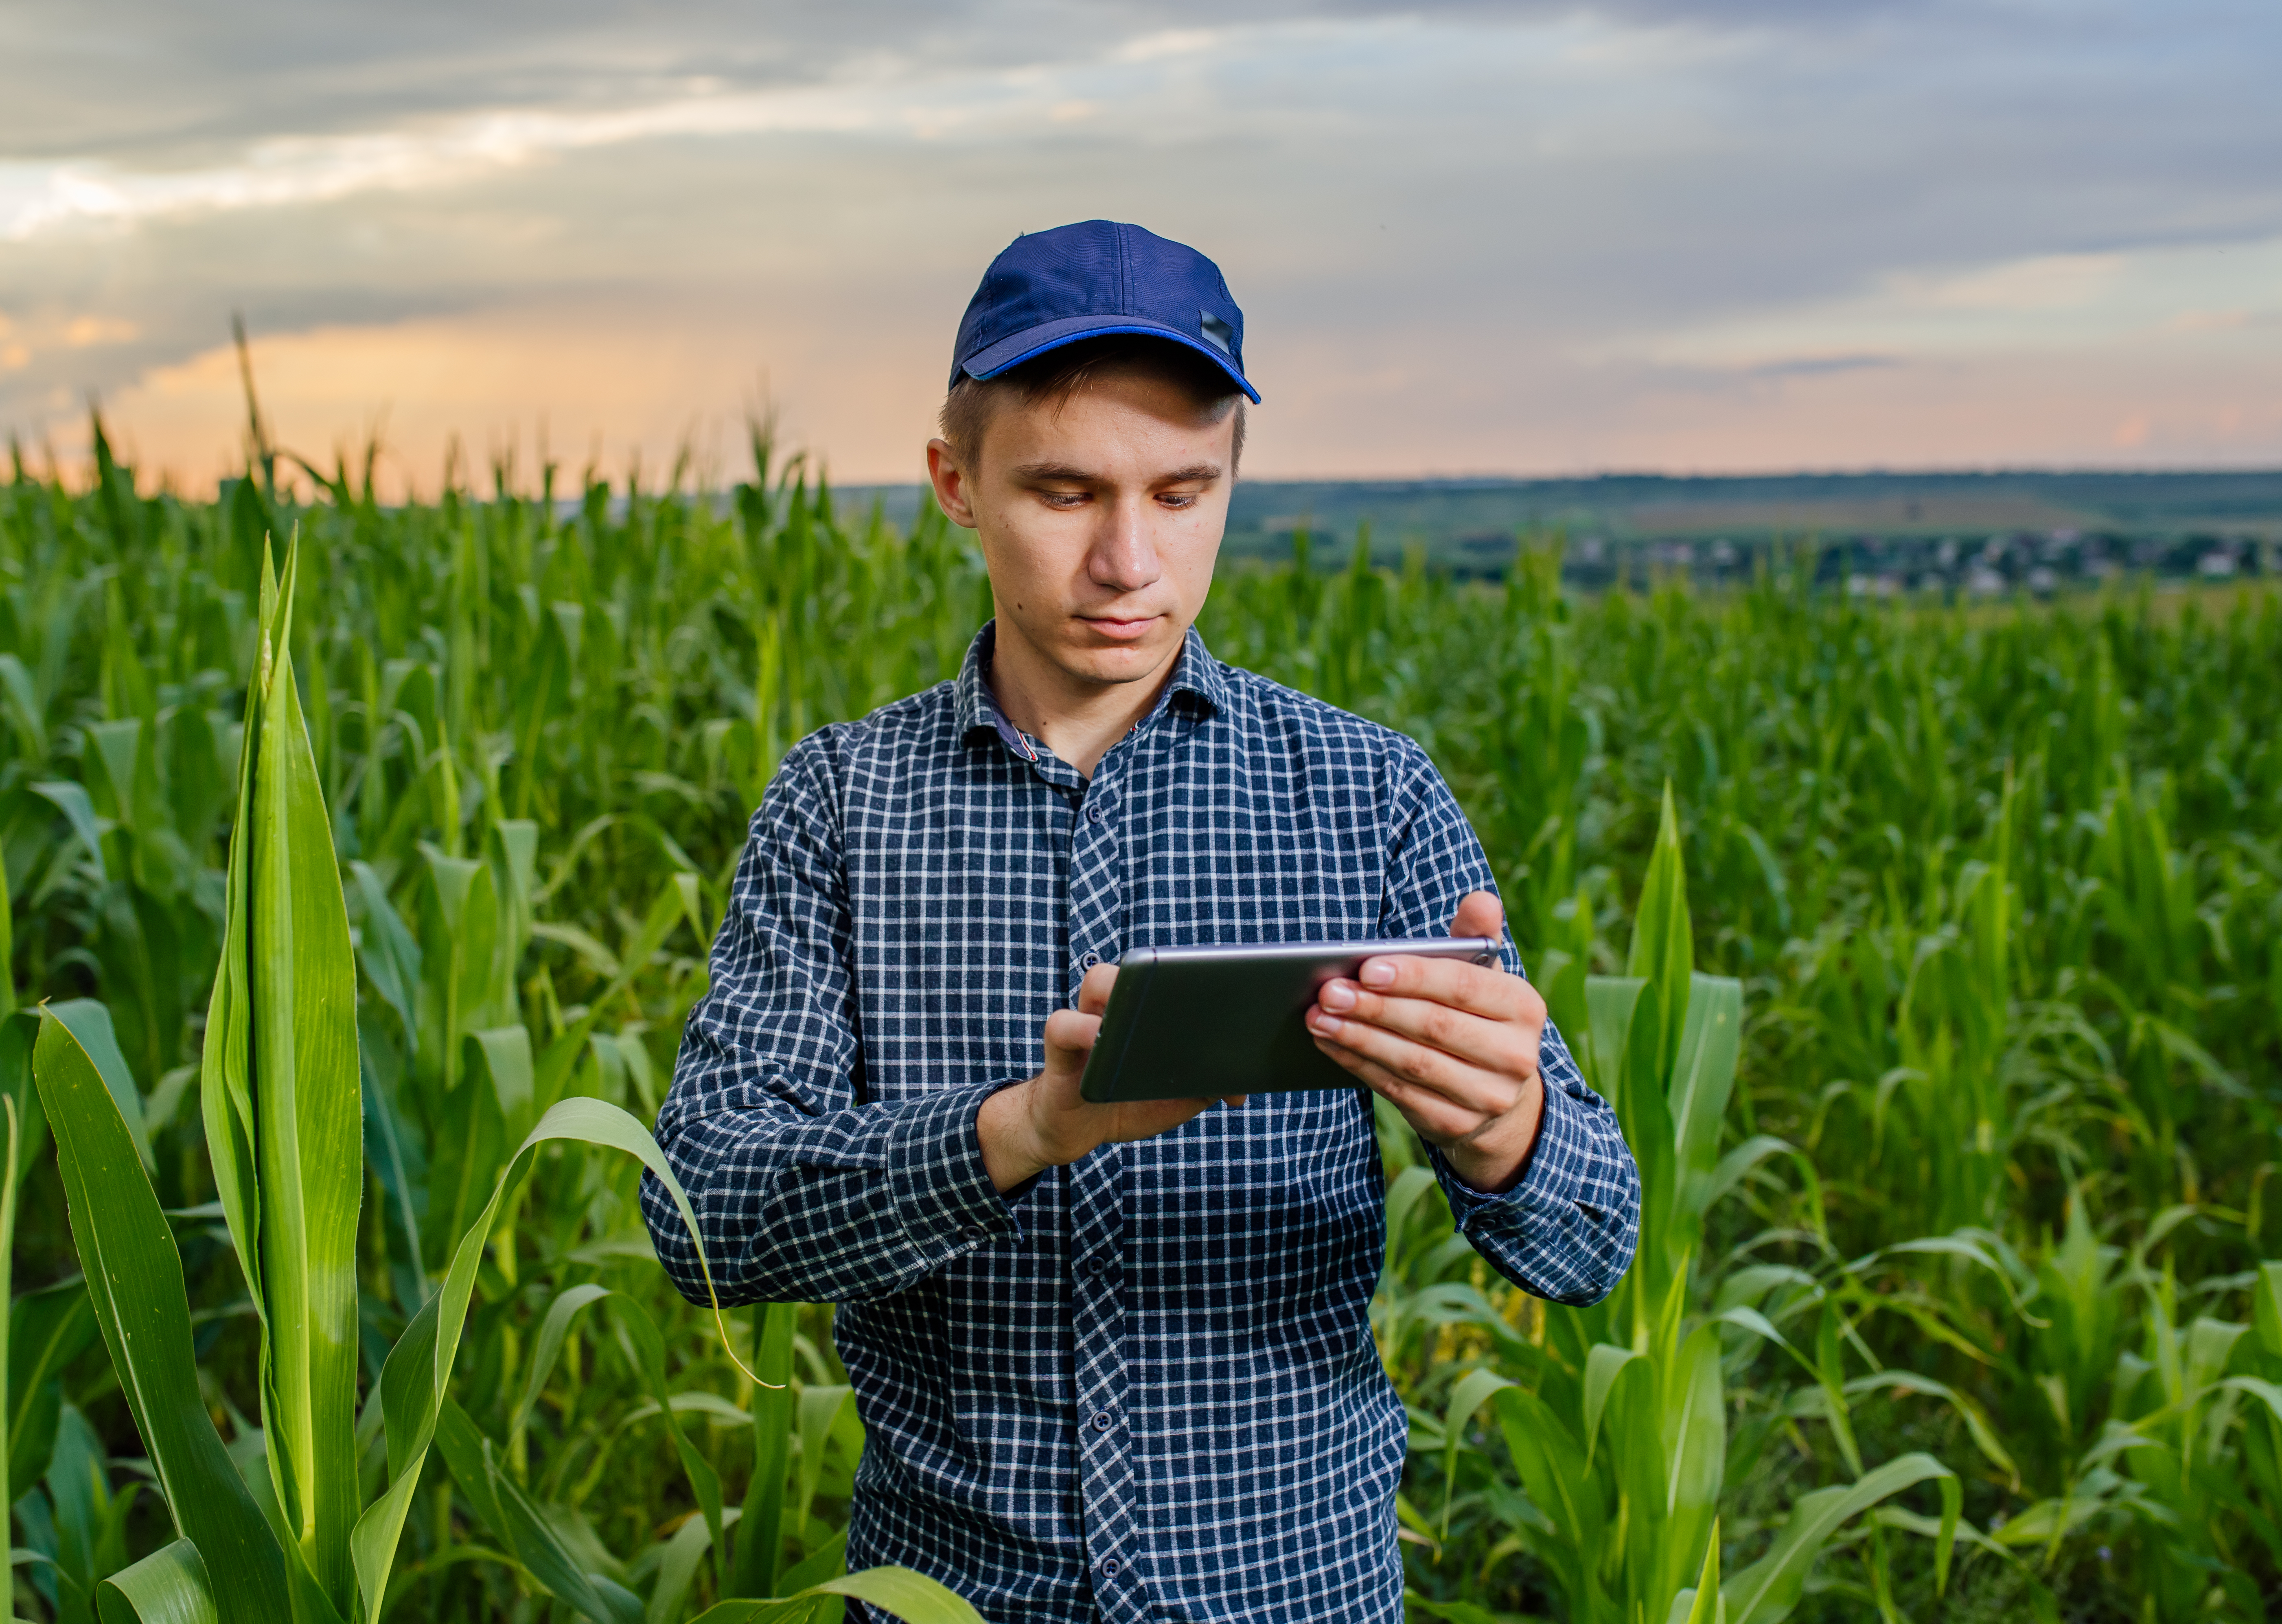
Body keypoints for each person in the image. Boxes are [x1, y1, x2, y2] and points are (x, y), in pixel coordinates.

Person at [642, 219, 1639, 1622]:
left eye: (1182, 494)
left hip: (1293, 1589)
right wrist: (1024, 1130)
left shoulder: (1365, 794)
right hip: (955, 1598)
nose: (1129, 562)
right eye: (1065, 493)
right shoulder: (841, 805)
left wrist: (1507, 1129)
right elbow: (705, 1218)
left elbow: (1593, 1239)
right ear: (955, 484)